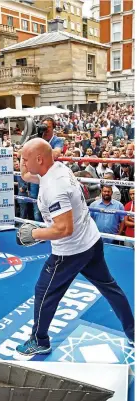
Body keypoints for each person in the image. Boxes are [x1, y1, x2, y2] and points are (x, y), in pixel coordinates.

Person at [16, 138, 134, 356]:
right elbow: (27, 175)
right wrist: (25, 159)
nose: (21, 162)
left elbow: (63, 229)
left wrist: (34, 233)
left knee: (44, 292)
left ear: (40, 159)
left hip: (70, 251)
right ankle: (133, 330)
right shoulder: (57, 169)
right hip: (91, 241)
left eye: (24, 158)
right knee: (109, 287)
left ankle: (40, 340)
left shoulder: (54, 187)